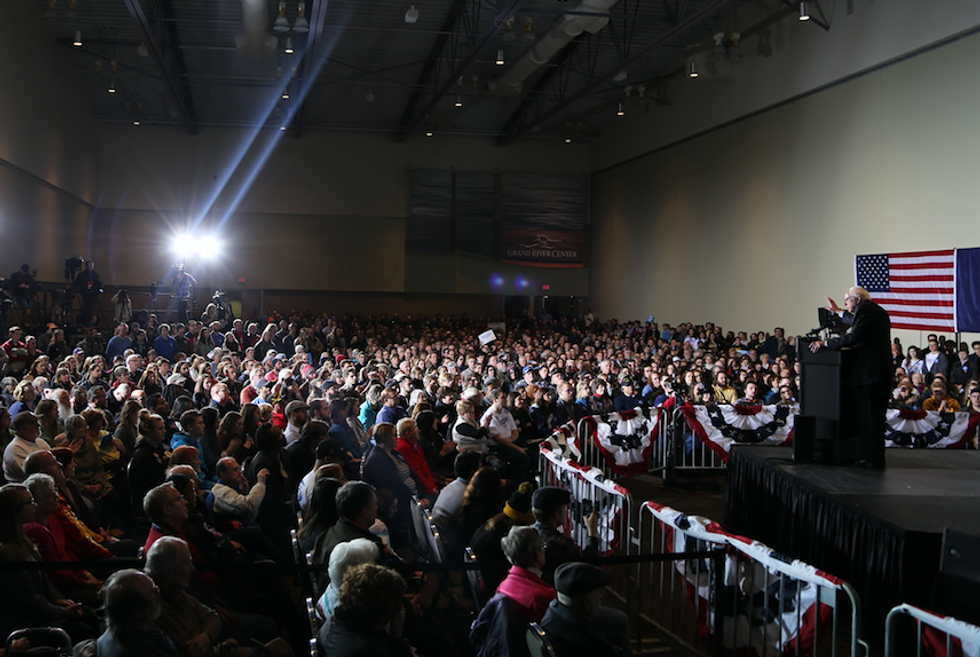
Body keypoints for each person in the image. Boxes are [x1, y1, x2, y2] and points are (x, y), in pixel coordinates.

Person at [810, 286, 891, 469]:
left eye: (847, 300)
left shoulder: (866, 311)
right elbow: (855, 321)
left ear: (858, 299)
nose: (846, 303)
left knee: (869, 419)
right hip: (875, 374)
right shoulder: (873, 310)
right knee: (871, 418)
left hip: (870, 374)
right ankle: (872, 457)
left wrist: (826, 343)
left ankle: (871, 459)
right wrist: (838, 312)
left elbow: (853, 336)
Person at [540, 562, 632, 657]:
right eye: (599, 595)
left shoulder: (553, 611)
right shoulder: (591, 646)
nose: (601, 596)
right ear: (588, 604)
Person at [96, 569, 181, 657]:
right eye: (154, 593)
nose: (158, 596)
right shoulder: (135, 651)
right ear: (138, 612)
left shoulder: (117, 631)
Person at [532, 486, 599, 586]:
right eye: (564, 508)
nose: (566, 511)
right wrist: (592, 531)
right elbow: (587, 566)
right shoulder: (562, 544)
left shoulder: (527, 533)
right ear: (557, 514)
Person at [3, 411, 51, 482]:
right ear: (23, 428)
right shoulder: (15, 448)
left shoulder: (40, 441)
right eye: (34, 423)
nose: (39, 425)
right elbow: (30, 475)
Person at [73, 260, 104, 327]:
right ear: (86, 266)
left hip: (93, 295)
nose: (90, 267)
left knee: (91, 309)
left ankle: (89, 322)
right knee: (85, 308)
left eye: (92, 266)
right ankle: (85, 322)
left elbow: (100, 284)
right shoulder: (81, 275)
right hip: (85, 295)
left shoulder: (95, 275)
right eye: (89, 265)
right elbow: (75, 283)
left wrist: (99, 290)